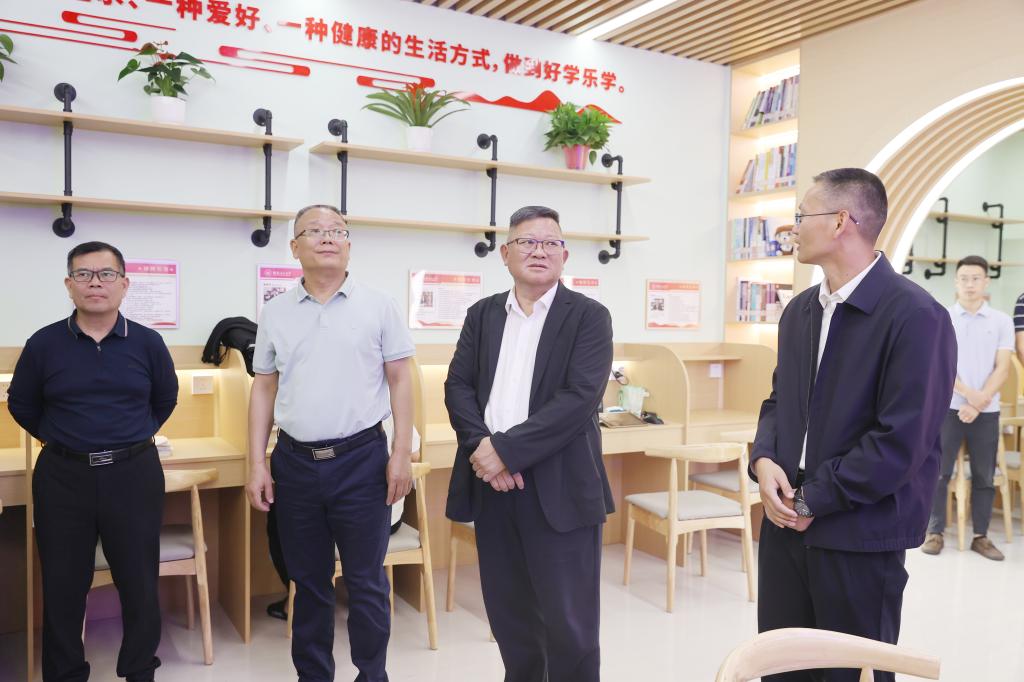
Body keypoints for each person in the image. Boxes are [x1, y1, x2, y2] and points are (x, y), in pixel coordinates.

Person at [750, 169, 956, 682]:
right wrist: (765, 459)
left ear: (841, 221)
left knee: (851, 673)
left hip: (859, 534)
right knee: (782, 668)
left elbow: (901, 442)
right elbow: (779, 401)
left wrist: (811, 501)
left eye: (802, 215)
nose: (793, 227)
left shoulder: (916, 316)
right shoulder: (800, 312)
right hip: (784, 525)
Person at [245, 205, 415, 682]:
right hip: (294, 463)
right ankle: (314, 675)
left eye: (337, 231)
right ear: (294, 247)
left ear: (348, 245)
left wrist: (401, 453)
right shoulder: (276, 311)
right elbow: (264, 387)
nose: (327, 238)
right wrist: (256, 462)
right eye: (314, 231)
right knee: (308, 583)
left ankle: (372, 675)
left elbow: (401, 379)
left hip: (362, 460)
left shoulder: (379, 305)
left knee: (365, 581)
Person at [444, 205, 614, 682]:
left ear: (564, 255)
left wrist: (505, 452)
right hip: (493, 489)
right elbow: (457, 386)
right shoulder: (482, 315)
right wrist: (483, 448)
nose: (540, 251)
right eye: (527, 242)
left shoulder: (589, 317)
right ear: (505, 253)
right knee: (511, 619)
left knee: (570, 627)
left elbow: (579, 399)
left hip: (560, 490)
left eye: (551, 242)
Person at [8, 241, 178, 682]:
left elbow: (165, 398)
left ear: (124, 283)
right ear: (69, 285)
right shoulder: (44, 343)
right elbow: (21, 403)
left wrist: (129, 436)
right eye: (84, 274)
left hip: (133, 473)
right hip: (63, 476)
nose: (95, 283)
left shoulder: (148, 343)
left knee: (139, 583)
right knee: (63, 586)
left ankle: (139, 670)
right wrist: (62, 438)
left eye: (106, 274)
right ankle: (65, 674)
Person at [921, 255, 1012, 560]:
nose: (970, 284)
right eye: (964, 278)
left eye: (975, 278)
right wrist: (970, 394)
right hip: (948, 408)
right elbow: (938, 366)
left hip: (987, 411)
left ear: (986, 281)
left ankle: (980, 536)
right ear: (955, 282)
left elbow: (1003, 368)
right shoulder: (942, 317)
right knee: (939, 472)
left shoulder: (1001, 320)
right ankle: (934, 532)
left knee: (985, 476)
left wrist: (980, 400)